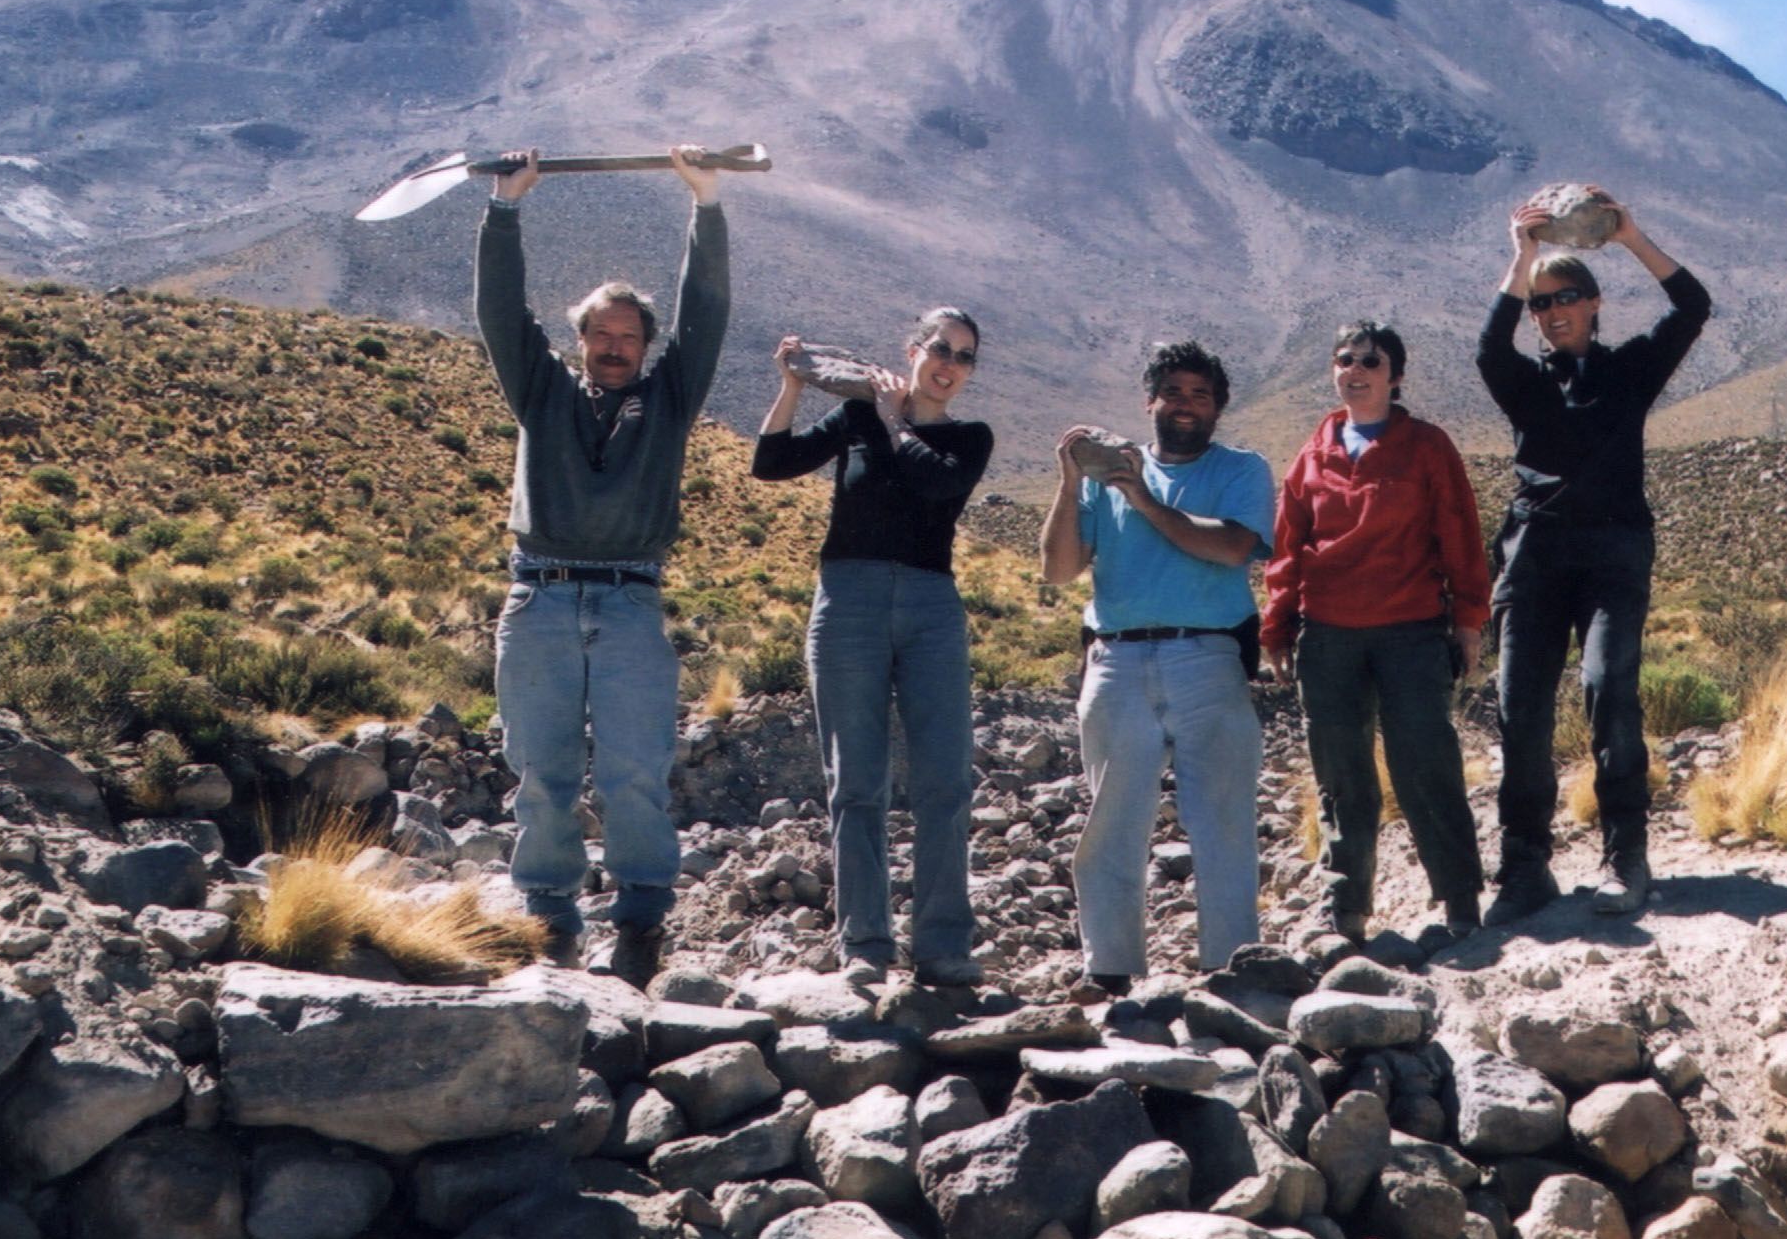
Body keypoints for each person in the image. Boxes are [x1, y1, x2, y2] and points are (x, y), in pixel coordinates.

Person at [476, 145, 730, 988]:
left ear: (646, 347)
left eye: (629, 336)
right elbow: (499, 314)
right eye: (601, 333)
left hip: (628, 603)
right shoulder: (540, 391)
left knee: (632, 771)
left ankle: (641, 920)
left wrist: (706, 205)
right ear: (579, 338)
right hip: (539, 595)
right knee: (542, 771)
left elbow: (707, 319)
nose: (615, 346)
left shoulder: (668, 401)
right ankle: (548, 917)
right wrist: (506, 209)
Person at [1475, 190, 1710, 921]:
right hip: (1535, 556)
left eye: (1567, 296)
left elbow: (1691, 308)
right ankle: (1523, 866)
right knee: (1520, 709)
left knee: (1608, 691)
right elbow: (1488, 348)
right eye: (1542, 303)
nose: (1552, 312)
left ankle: (1624, 857)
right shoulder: (1524, 385)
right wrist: (1522, 257)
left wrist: (1631, 235)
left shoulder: (1628, 372)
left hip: (1612, 553)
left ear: (1594, 301)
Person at [750, 310, 993, 988]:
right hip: (847, 600)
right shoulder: (858, 417)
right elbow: (770, 463)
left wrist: (892, 419)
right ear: (911, 349)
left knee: (943, 778)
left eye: (963, 357)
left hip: (930, 608)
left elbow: (932, 485)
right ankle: (864, 940)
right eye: (939, 348)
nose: (948, 363)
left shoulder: (968, 437)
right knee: (855, 781)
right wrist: (793, 386)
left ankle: (943, 943)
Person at [1041, 341, 1275, 997]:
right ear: (1150, 400)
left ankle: (1232, 966)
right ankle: (1109, 969)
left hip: (1207, 655)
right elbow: (1058, 569)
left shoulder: (1240, 469)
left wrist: (1142, 497)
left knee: (1223, 813)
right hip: (1115, 656)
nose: (1185, 405)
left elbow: (1229, 547)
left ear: (1218, 408)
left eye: (1200, 395)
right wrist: (1070, 481)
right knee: (1112, 816)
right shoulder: (1104, 478)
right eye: (1172, 391)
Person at [1264, 321, 1493, 942]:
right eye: (1345, 359)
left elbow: (1460, 536)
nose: (1356, 370)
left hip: (1411, 632)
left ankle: (1460, 903)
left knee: (1426, 763)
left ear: (1396, 376)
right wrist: (1278, 626)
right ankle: (1346, 909)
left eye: (1371, 360)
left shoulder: (1426, 446)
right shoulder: (1313, 454)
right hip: (1328, 634)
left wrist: (1469, 619)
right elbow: (1288, 548)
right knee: (1341, 774)